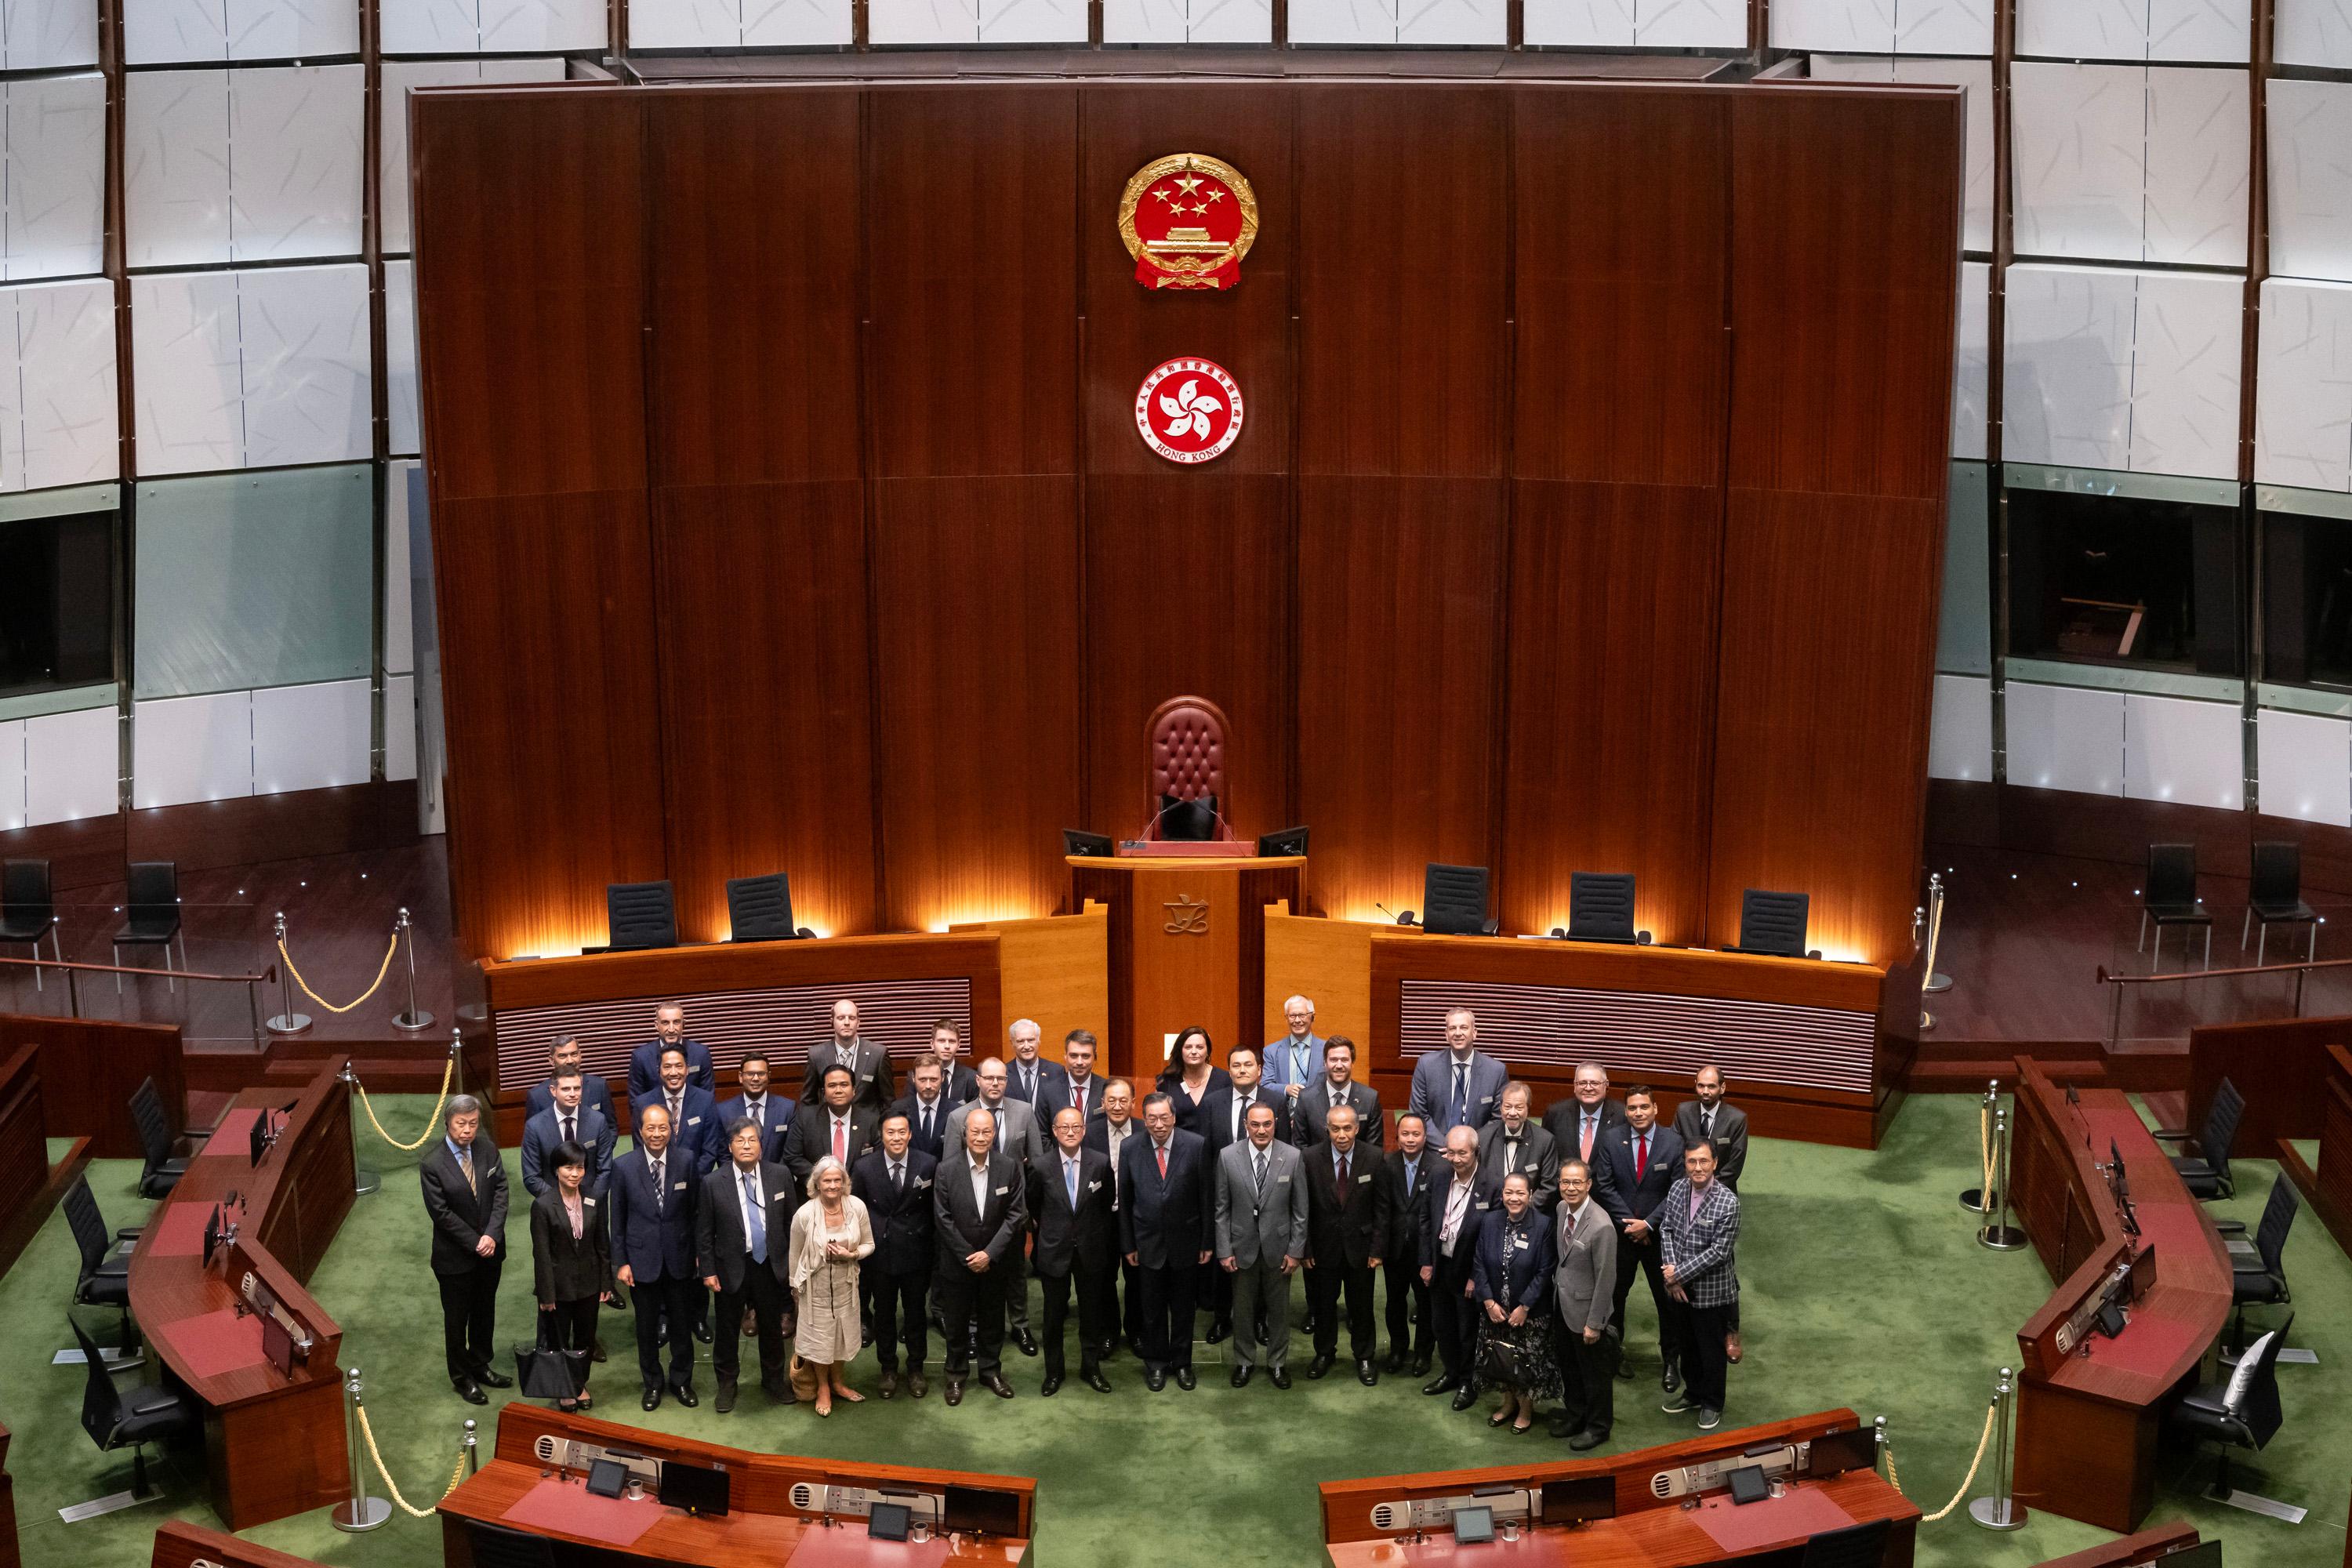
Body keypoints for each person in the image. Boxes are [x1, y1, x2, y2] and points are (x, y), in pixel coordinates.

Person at [696, 1118, 797, 1411]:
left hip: (770, 1265)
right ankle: (727, 1385)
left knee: (772, 1327)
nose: (746, 1145)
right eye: (740, 1140)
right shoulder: (713, 1182)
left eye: (752, 1139)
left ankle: (774, 1381)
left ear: (761, 1146)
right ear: (730, 1147)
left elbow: (792, 1223)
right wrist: (709, 1270)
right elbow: (704, 1231)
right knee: (727, 1330)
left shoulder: (780, 1175)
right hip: (730, 1266)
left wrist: (791, 1264)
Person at [1590, 1086, 1686, 1392]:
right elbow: (1603, 1186)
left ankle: (1671, 1360)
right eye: (1632, 1108)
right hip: (1621, 1235)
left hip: (1661, 1238)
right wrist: (1632, 1225)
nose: (1638, 1113)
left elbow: (1677, 1190)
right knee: (1615, 1296)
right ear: (1626, 1111)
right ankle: (1615, 1353)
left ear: (1656, 1109)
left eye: (1644, 1107)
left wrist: (1649, 1224)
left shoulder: (1673, 1143)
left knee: (1667, 1300)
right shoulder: (1610, 1139)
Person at [947, 1058, 1045, 1354]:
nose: (995, 1083)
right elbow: (949, 1169)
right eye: (988, 1078)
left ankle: (1020, 1325)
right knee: (975, 1271)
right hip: (972, 1212)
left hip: (1013, 1210)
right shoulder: (958, 1116)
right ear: (977, 1080)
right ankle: (975, 1329)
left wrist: (1032, 1210)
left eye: (1001, 1079)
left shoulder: (1024, 1111)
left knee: (1015, 1272)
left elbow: (1036, 1165)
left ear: (1007, 1081)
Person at [420, 1095, 513, 1404]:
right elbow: (441, 1213)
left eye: (473, 1123)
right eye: (461, 1124)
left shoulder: (487, 1149)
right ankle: (462, 1378)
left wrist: (492, 1234)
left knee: (485, 1311)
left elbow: (501, 1191)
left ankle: (480, 1364)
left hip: (490, 1251)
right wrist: (475, 1241)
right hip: (455, 1258)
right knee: (457, 1320)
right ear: (448, 1123)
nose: (467, 1130)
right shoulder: (432, 1164)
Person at [608, 1102, 699, 1411]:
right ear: (640, 1130)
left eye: (663, 1127)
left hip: (679, 1258)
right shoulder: (623, 1166)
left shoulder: (686, 1160)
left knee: (681, 1325)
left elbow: (695, 1212)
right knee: (646, 1329)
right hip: (641, 1261)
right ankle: (653, 1384)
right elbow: (617, 1218)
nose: (657, 1133)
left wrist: (699, 1253)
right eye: (651, 1128)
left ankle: (681, 1381)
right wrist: (621, 1262)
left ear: (672, 1129)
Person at [1119, 1091, 1213, 1390]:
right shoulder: (1130, 1147)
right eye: (1152, 1118)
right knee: (1152, 1310)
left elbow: (1206, 1198)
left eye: (1164, 1117)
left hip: (1187, 1243)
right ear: (1143, 1119)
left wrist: (1206, 1242)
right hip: (1147, 1245)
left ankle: (1183, 1363)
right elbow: (1126, 1199)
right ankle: (1156, 1364)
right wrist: (1129, 1244)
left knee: (1184, 1309)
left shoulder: (1196, 1145)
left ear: (1174, 1117)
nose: (1159, 1124)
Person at [934, 1110, 1025, 1405]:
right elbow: (942, 1218)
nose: (981, 1137)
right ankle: (956, 1377)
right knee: (957, 1323)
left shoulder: (1009, 1167)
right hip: (957, 1263)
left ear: (995, 1133)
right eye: (975, 1132)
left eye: (987, 1132)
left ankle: (990, 1371)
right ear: (965, 1134)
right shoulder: (946, 1169)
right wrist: (968, 1255)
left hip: (995, 1263)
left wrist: (989, 1253)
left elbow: (1015, 1215)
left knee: (992, 1322)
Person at [1199, 1043, 1287, 1342]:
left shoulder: (1276, 1101)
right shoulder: (1213, 1102)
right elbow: (1207, 1151)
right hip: (1226, 1193)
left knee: (1260, 1258)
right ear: (1229, 1070)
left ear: (1259, 1069)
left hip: (1266, 1192)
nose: (1242, 1070)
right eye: (1235, 1065)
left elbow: (1285, 1148)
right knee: (1226, 1257)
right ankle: (1223, 1319)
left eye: (1248, 1064)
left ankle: (1259, 1321)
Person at [1214, 1102, 1305, 1388]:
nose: (1262, 1130)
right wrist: (1224, 1249)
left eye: (1267, 1124)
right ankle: (1244, 1361)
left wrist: (1295, 1251)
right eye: (1255, 1124)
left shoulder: (1292, 1157)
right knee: (1242, 1311)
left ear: (1275, 1123)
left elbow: (1300, 1211)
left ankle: (1277, 1363)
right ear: (1246, 1125)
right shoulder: (1228, 1156)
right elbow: (1221, 1209)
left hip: (1279, 1249)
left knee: (1279, 1312)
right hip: (1242, 1249)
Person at [1028, 1106, 1115, 1396]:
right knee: (1053, 1317)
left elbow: (1106, 1204)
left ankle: (1091, 1368)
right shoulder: (1040, 1166)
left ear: (1084, 1130)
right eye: (1064, 1127)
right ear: (1054, 1131)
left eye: (1075, 1127)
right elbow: (1033, 1206)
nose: (1070, 1132)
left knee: (1091, 1315)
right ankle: (1054, 1372)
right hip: (1054, 1251)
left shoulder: (1100, 1163)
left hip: (1091, 1250)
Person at [850, 1111, 937, 1399]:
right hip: (880, 1254)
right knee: (884, 1315)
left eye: (902, 1132)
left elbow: (933, 1210)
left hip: (916, 1253)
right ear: (881, 1136)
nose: (896, 1138)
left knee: (915, 1315)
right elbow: (856, 1211)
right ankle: (887, 1369)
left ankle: (915, 1369)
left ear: (910, 1134)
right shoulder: (864, 1167)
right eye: (890, 1132)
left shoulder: (928, 1164)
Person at [1303, 1103, 1390, 1386]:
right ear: (1326, 1129)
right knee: (1323, 1306)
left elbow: (1382, 1208)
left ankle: (1364, 1357)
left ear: (1357, 1128)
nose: (1342, 1135)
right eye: (1335, 1128)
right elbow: (1302, 1209)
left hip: (1361, 1250)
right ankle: (1324, 1353)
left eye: (1347, 1128)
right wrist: (1306, 1249)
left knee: (1362, 1307)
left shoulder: (1375, 1157)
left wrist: (1377, 1249)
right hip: (1322, 1248)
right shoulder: (1310, 1158)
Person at [1656, 1140, 1740, 1432]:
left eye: (1704, 1161)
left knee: (1711, 1351)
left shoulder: (1728, 1202)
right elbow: (1666, 1229)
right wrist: (1671, 1274)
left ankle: (1712, 1402)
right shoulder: (1678, 1188)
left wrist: (1677, 1274)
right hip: (1677, 1289)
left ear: (1715, 1163)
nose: (1698, 1168)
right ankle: (1693, 1393)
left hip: (1711, 1293)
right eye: (1692, 1162)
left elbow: (1718, 1253)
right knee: (1687, 1346)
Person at [1671, 1065, 1751, 1363]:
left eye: (1712, 1087)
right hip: (1686, 1197)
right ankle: (1689, 1324)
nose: (1706, 1091)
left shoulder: (1736, 1119)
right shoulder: (1683, 1112)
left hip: (1719, 1200)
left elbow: (1734, 1166)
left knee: (1724, 1265)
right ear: (1695, 1086)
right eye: (1701, 1086)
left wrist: (1709, 1192)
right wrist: (1692, 1185)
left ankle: (1731, 1329)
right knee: (1686, 1257)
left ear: (1723, 1088)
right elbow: (1676, 1153)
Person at [529, 1139, 615, 1411]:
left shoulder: (592, 1199)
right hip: (558, 1287)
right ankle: (563, 1389)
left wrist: (606, 1283)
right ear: (556, 1170)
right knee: (558, 1341)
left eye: (580, 1168)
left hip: (589, 1285)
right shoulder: (543, 1205)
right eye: (569, 1167)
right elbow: (541, 1254)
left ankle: (579, 1384)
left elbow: (603, 1245)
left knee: (585, 1339)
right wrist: (546, 1294)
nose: (575, 1174)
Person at [1471, 1171, 1558, 1434]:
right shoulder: (1490, 1221)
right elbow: (1478, 1263)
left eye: (1520, 1193)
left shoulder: (1543, 1225)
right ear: (1502, 1195)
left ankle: (1526, 1410)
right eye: (1509, 1192)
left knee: (1525, 1362)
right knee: (1501, 1359)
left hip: (1528, 1313)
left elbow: (1545, 1271)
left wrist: (1524, 1307)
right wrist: (1488, 1301)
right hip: (1496, 1310)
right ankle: (1508, 1404)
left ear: (1530, 1195)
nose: (1514, 1198)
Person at [790, 1155, 875, 1417]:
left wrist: (851, 1255)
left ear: (845, 1182)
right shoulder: (804, 1214)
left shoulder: (857, 1207)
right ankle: (824, 1387)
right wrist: (795, 1286)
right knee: (819, 1340)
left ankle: (838, 1383)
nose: (832, 1185)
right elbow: (795, 1254)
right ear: (817, 1183)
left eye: (838, 1180)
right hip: (814, 1289)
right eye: (827, 1180)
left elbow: (869, 1244)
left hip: (846, 1287)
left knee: (840, 1337)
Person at [1419, 1123, 1494, 1410]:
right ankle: (1450, 1373)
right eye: (1450, 1152)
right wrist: (1426, 1261)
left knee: (1467, 1330)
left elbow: (1490, 1237)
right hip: (1441, 1264)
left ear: (1476, 1152)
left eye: (1462, 1153)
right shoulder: (1438, 1175)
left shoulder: (1491, 1184)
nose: (1456, 1159)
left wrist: (1477, 1277)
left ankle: (1468, 1381)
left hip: (1468, 1270)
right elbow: (1425, 1219)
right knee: (1442, 1325)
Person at [1548, 1159, 1619, 1450]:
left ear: (1589, 1185)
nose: (1571, 1188)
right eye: (1565, 1182)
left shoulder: (1602, 1225)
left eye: (1577, 1182)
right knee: (1571, 1369)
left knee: (1595, 1377)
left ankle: (1599, 1427)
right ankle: (1576, 1415)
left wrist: (1595, 1323)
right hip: (1563, 1307)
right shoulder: (1561, 1209)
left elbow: (1606, 1279)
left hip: (1588, 1315)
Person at [1083, 1079, 1143, 1356]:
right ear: (1103, 1103)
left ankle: (1136, 1331)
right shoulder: (1089, 1133)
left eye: (1123, 1100)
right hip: (1101, 1219)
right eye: (1111, 1100)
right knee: (1104, 1279)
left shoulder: (1146, 1130)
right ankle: (1108, 1332)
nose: (1117, 1106)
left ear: (1133, 1102)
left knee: (1137, 1278)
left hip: (1136, 1219)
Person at [1380, 1112, 1435, 1375]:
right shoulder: (1386, 1164)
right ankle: (1398, 1349)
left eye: (1416, 1134)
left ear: (1425, 1136)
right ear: (1397, 1136)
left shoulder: (1439, 1167)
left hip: (1425, 1252)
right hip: (1394, 1250)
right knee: (1395, 1303)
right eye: (1405, 1134)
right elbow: (1380, 1209)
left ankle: (1424, 1354)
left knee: (1426, 1305)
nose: (1410, 1139)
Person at [1409, 1007, 1508, 1136]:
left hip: (1477, 1149)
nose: (1457, 1033)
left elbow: (1497, 1119)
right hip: (1435, 1149)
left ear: (1474, 1033)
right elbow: (1419, 1114)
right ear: (1446, 1034)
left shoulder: (1496, 1071)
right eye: (1452, 1028)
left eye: (1464, 1027)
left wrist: (1468, 1145)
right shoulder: (1426, 1065)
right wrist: (1445, 1145)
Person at [521, 1065, 617, 1198]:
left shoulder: (598, 1121)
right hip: (552, 1205)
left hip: (592, 1202)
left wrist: (590, 1201)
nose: (573, 1094)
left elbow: (605, 1170)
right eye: (566, 1089)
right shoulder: (535, 1126)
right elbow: (531, 1177)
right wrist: (561, 1203)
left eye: (577, 1088)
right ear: (553, 1091)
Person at [784, 1065, 882, 1191]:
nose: (838, 1090)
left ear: (854, 1090)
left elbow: (879, 1159)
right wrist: (823, 1178)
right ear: (823, 1092)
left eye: (844, 1085)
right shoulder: (806, 1117)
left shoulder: (871, 1120)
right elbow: (792, 1157)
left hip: (858, 1194)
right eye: (832, 1086)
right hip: (816, 1194)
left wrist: (849, 1184)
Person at [632, 1046, 722, 1176]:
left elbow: (710, 1150)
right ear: (659, 1070)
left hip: (696, 1183)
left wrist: (690, 1181)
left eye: (679, 1066)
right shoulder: (643, 1103)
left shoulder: (705, 1101)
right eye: (667, 1067)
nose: (673, 1073)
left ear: (687, 1069)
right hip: (657, 1181)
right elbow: (640, 1148)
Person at [1476, 1081, 1560, 1212]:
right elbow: (1476, 1182)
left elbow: (1549, 1186)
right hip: (1488, 1213)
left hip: (1529, 1214)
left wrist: (1520, 1209)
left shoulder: (1545, 1140)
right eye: (1508, 1106)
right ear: (1501, 1107)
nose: (1512, 1113)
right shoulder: (1483, 1137)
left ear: (1528, 1108)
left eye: (1519, 1108)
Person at [1295, 1036, 1385, 1149]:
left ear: (1352, 1063)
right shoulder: (1306, 1098)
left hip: (1359, 1166)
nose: (1339, 1066)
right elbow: (1300, 1146)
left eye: (1344, 1060)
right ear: (1325, 1063)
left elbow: (1375, 1150)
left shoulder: (1370, 1098)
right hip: (1316, 1166)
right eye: (1333, 1060)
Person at [803, 997, 895, 1107]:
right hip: (829, 1123)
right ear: (832, 1021)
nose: (847, 1023)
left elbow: (888, 1102)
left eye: (852, 1018)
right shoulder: (816, 1055)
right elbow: (808, 1103)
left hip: (868, 1123)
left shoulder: (878, 1054)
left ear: (858, 1022)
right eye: (841, 1018)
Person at [1542, 1062, 1627, 1167]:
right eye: (1582, 1083)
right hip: (1566, 1182)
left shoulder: (1623, 1116)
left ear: (1606, 1085)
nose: (1588, 1088)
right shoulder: (1555, 1114)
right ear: (1575, 1085)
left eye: (1594, 1083)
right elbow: (1546, 1158)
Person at [717, 1051, 793, 1163]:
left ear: (769, 1076)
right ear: (741, 1077)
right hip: (737, 1179)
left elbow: (790, 1152)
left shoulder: (787, 1108)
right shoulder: (723, 1111)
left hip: (777, 1177)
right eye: (750, 1074)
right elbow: (723, 1155)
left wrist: (776, 1177)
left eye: (761, 1074)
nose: (756, 1078)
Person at [628, 1003, 713, 1101]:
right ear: (657, 1025)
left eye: (676, 1022)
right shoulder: (641, 1057)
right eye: (665, 1023)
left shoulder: (701, 1053)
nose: (671, 1029)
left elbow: (708, 1098)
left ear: (683, 1024)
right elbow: (636, 1102)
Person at [524, 1036, 618, 1125]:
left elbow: (611, 1126)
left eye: (574, 1054)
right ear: (551, 1060)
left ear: (580, 1055)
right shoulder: (537, 1096)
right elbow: (533, 1134)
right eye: (562, 1056)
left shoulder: (599, 1086)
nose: (570, 1061)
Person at [1155, 1025, 1231, 1134]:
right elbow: (1158, 1117)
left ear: (1208, 1051)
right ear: (1180, 1050)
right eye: (1188, 1047)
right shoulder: (1167, 1081)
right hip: (1179, 1146)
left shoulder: (1224, 1080)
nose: (1194, 1051)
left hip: (1215, 1147)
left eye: (1200, 1047)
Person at [889, 1056, 956, 1160]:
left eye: (933, 1079)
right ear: (913, 1078)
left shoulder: (956, 1111)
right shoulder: (898, 1109)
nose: (928, 1086)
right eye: (922, 1080)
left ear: (943, 1078)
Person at [1262, 994, 1326, 1102]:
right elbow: (1265, 1085)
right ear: (1286, 1018)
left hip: (1317, 1115)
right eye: (1292, 1016)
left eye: (1302, 1015)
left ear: (1312, 1016)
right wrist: (1286, 1089)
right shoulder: (1271, 1051)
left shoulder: (1327, 1050)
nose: (1297, 1020)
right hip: (1285, 1114)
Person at [1039, 1029, 1105, 1123]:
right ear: (1065, 1056)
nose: (1079, 1062)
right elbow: (1043, 1135)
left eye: (1085, 1056)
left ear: (1095, 1057)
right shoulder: (1048, 1091)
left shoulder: (1106, 1089)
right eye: (1074, 1056)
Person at [1004, 1018, 1068, 1113]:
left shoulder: (1056, 1071)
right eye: (1021, 1041)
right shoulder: (1003, 1073)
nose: (1026, 1046)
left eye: (1031, 1040)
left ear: (1038, 1041)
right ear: (1012, 1043)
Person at [927, 1018, 979, 1107]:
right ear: (932, 1044)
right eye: (942, 1041)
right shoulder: (919, 1076)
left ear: (958, 1045)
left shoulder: (971, 1078)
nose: (947, 1046)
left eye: (952, 1041)